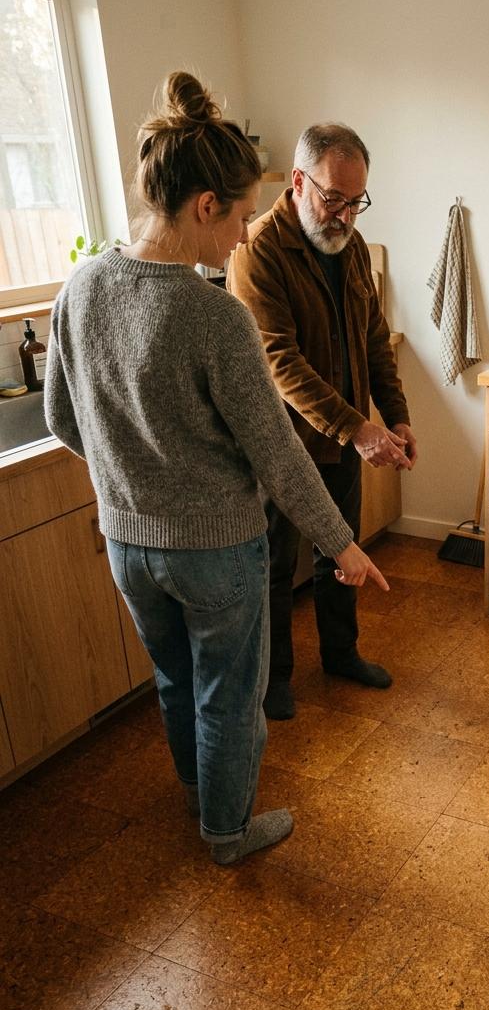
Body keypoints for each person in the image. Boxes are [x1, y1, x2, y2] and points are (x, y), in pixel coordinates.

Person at [44, 73, 388, 866]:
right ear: (205, 206)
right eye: (237, 217)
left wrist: (133, 481)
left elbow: (63, 417)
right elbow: (277, 454)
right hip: (216, 553)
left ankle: (201, 793)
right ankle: (228, 831)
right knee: (229, 699)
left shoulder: (82, 286)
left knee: (174, 682)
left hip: (128, 546)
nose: (242, 235)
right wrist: (342, 544)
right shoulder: (214, 316)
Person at [228, 123, 416, 721]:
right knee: (275, 567)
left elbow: (374, 337)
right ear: (298, 181)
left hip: (341, 441)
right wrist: (358, 428)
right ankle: (273, 679)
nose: (344, 215)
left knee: (342, 554)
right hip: (281, 445)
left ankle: (341, 654)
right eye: (333, 199)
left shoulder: (351, 247)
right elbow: (279, 363)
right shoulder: (257, 251)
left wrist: (397, 415)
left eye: (357, 202)